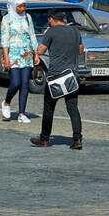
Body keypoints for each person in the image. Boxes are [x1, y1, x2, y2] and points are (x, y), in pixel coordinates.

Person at [30, 11, 85, 150]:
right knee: (72, 107)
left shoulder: (51, 32)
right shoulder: (75, 31)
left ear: (51, 19)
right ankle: (77, 139)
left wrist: (47, 36)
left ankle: (44, 139)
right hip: (72, 75)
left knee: (49, 108)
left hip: (56, 77)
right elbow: (80, 50)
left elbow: (40, 51)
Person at [0, 0, 37, 123]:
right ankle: (6, 102)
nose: (22, 9)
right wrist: (6, 58)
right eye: (19, 6)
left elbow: (32, 35)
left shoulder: (28, 17)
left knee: (25, 84)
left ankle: (21, 113)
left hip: (27, 54)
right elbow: (5, 39)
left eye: (23, 6)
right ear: (14, 6)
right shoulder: (6, 19)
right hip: (13, 55)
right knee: (16, 83)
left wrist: (36, 53)